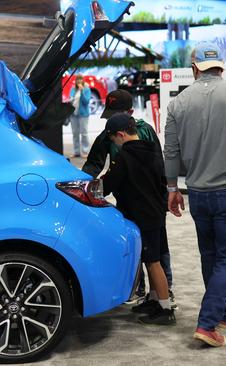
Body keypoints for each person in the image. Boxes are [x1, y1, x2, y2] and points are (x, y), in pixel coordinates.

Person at [164, 42, 226, 346]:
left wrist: (172, 188)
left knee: (211, 256)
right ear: (221, 65)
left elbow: (171, 150)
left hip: (197, 193)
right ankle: (207, 324)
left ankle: (223, 313)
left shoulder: (179, 103)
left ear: (195, 68)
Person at [83, 89, 175, 307]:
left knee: (156, 253)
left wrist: (166, 196)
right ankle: (145, 293)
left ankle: (164, 296)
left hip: (148, 205)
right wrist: (81, 184)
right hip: (132, 204)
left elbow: (160, 170)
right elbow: (93, 164)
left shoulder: (140, 139)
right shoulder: (111, 136)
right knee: (140, 250)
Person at [101, 113, 175, 326]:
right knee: (154, 258)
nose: (114, 144)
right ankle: (154, 300)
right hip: (156, 214)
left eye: (114, 140)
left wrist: (91, 189)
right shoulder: (152, 149)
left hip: (141, 217)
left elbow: (108, 185)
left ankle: (165, 309)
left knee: (152, 262)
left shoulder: (125, 156)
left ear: (121, 135)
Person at [68, 74, 91, 157]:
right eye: (77, 79)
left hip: (83, 114)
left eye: (80, 79)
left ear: (83, 80)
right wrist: (70, 99)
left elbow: (86, 101)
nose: (79, 81)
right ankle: (76, 152)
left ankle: (85, 151)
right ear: (75, 81)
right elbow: (70, 99)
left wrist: (82, 92)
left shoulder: (86, 89)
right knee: (75, 133)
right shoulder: (73, 89)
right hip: (73, 114)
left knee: (84, 133)